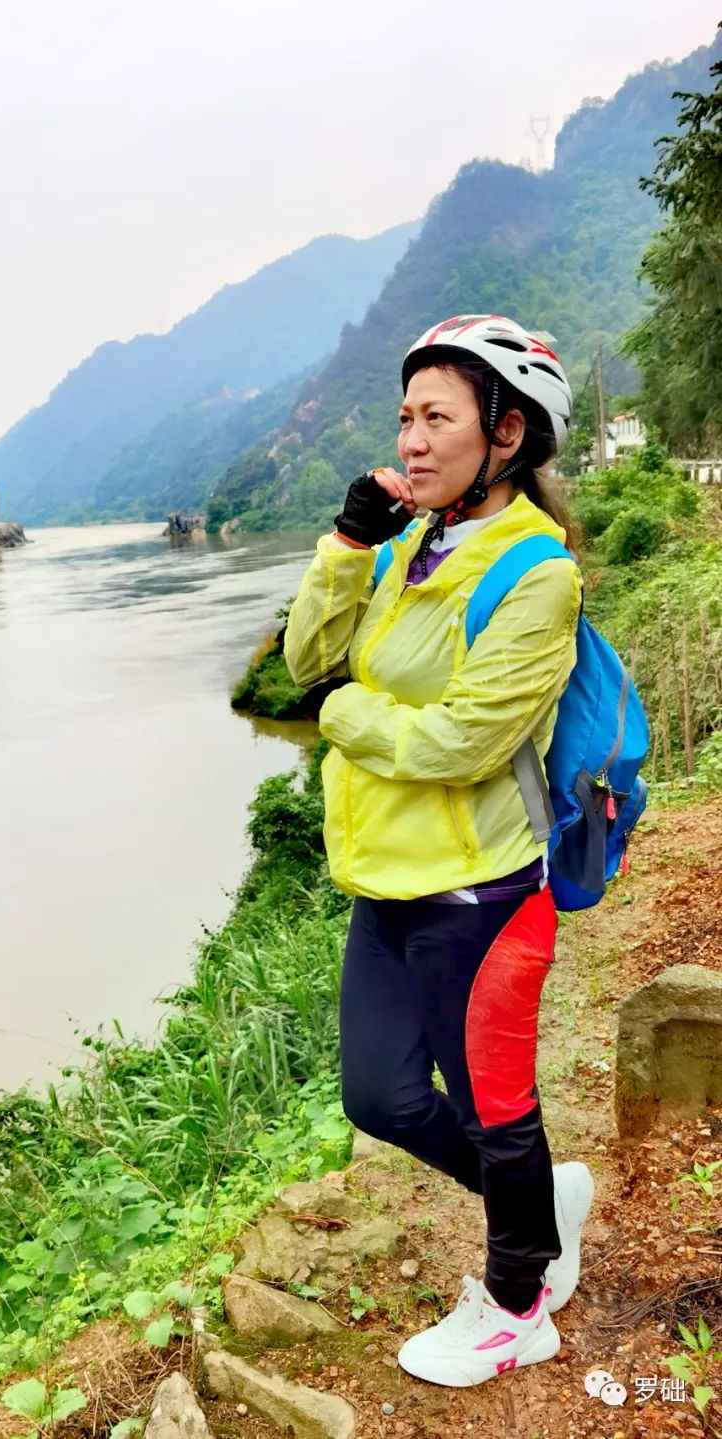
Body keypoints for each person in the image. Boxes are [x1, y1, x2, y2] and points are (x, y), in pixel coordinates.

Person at [283, 315, 595, 1388]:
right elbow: (306, 658)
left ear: (506, 433)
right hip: (383, 876)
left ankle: (518, 1303)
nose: (411, 441)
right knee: (380, 1095)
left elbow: (463, 741)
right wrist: (346, 546)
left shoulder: (538, 573)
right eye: (404, 417)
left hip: (481, 890)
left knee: (495, 1106)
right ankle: (543, 1210)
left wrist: (341, 715)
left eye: (437, 418)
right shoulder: (409, 542)